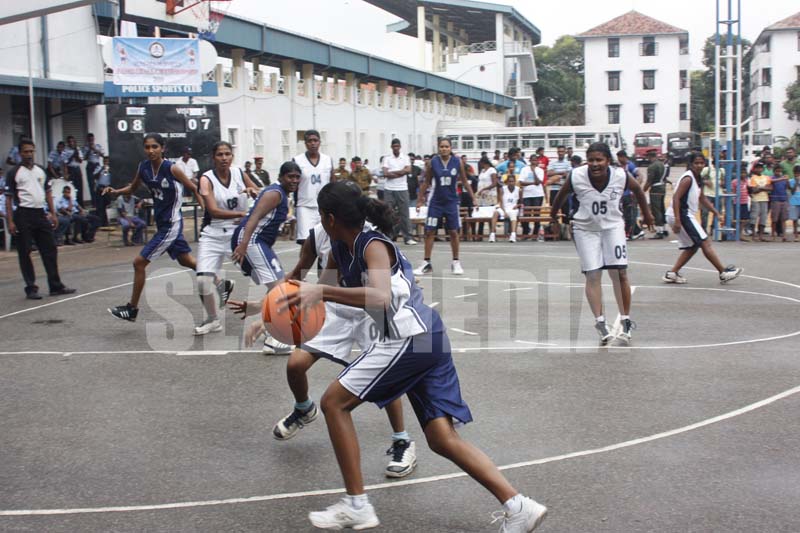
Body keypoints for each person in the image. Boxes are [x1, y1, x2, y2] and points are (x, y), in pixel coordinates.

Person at [282, 181, 547, 531]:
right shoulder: (340, 249)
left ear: (330, 218)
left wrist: (323, 289)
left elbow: (376, 296)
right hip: (427, 339)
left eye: (320, 215)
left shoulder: (372, 244)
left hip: (409, 338)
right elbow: (314, 295)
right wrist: (264, 312)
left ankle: (357, 505)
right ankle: (519, 506)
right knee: (441, 438)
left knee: (333, 403)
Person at [231, 213, 418, 479]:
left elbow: (391, 275)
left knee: (384, 381)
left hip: (368, 311)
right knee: (295, 365)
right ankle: (304, 409)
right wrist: (263, 310)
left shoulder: (368, 236)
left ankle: (402, 440)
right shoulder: (317, 236)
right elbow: (299, 278)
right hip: (334, 310)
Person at [550, 143, 653, 345]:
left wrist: (647, 215)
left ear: (608, 160)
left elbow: (639, 192)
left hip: (612, 227)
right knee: (593, 274)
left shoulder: (621, 175)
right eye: (591, 160)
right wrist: (553, 219)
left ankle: (625, 320)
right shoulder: (576, 176)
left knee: (620, 272)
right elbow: (560, 196)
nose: (595, 164)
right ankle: (600, 322)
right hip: (585, 229)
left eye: (599, 160)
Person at [104, 133, 204, 321]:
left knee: (139, 262)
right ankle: (220, 282)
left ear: (162, 148)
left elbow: (193, 188)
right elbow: (132, 188)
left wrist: (206, 210)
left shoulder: (172, 169)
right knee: (186, 261)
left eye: (155, 147)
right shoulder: (143, 167)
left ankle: (132, 309)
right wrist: (116, 191)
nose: (151, 150)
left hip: (171, 224)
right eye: (147, 147)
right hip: (162, 224)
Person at [230, 161, 300, 354]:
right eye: (290, 177)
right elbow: (254, 217)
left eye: (296, 177)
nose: (294, 180)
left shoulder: (278, 193)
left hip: (256, 242)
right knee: (280, 290)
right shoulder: (275, 193)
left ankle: (262, 325)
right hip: (252, 241)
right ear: (281, 177)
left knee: (279, 288)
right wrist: (243, 244)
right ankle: (274, 338)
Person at [193, 141, 260, 335]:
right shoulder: (206, 179)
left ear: (232, 156)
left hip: (237, 235)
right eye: (220, 154)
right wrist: (242, 215)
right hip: (213, 233)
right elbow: (212, 210)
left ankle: (273, 315)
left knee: (261, 275)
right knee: (202, 281)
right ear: (214, 157)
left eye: (227, 154)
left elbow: (261, 194)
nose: (224, 158)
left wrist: (252, 192)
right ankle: (213, 319)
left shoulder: (239, 173)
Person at [4, 139, 76, 299]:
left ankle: (55, 285)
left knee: (50, 249)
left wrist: (53, 213)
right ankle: (31, 287)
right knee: (25, 251)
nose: (29, 155)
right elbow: (8, 199)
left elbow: (48, 192)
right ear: (20, 153)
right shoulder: (14, 172)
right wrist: (10, 221)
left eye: (31, 151)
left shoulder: (41, 171)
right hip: (23, 214)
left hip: (40, 213)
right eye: (25, 152)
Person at [663, 152, 743, 285]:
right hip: (681, 214)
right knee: (704, 242)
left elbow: (702, 198)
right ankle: (722, 272)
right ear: (690, 164)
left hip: (684, 215)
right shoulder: (688, 179)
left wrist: (715, 212)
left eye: (701, 163)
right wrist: (677, 220)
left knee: (693, 246)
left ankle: (672, 273)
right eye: (696, 163)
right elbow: (676, 197)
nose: (699, 165)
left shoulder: (697, 178)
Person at [414, 138, 475, 276]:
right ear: (438, 148)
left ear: (450, 148)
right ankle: (426, 263)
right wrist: (420, 200)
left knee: (453, 232)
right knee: (430, 231)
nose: (444, 149)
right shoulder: (432, 162)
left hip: (451, 202)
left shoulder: (457, 162)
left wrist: (473, 198)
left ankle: (456, 262)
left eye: (446, 146)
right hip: (435, 202)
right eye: (441, 146)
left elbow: (464, 181)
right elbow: (426, 182)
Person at [293, 130, 334, 244]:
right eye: (309, 141)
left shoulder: (327, 160)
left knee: (326, 243)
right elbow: (293, 184)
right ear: (305, 143)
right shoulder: (297, 160)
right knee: (306, 242)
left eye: (315, 140)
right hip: (305, 206)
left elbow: (332, 183)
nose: (313, 143)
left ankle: (324, 262)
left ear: (319, 142)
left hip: (323, 207)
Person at [382, 139, 417, 245]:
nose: (396, 148)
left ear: (400, 146)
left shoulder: (405, 158)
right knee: (388, 213)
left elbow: (408, 170)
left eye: (397, 146)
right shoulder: (387, 158)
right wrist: (401, 172)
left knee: (404, 213)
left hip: (402, 188)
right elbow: (385, 173)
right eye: (394, 146)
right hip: (389, 189)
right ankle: (388, 236)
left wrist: (392, 172)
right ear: (391, 147)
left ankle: (408, 237)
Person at [518, 153, 546, 240]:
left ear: (537, 161)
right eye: (532, 160)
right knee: (526, 214)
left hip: (538, 194)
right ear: (529, 161)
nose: (534, 162)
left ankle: (535, 234)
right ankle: (525, 233)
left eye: (535, 160)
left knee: (536, 214)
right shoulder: (524, 169)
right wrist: (533, 183)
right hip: (527, 195)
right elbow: (521, 182)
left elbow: (538, 182)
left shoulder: (540, 170)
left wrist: (534, 172)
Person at [616, 151, 644, 240]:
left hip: (629, 194)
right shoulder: (620, 166)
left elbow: (640, 176)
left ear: (624, 157)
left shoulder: (630, 165)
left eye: (620, 158)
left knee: (629, 214)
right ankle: (637, 231)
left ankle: (629, 233)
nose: (619, 160)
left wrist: (635, 188)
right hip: (622, 194)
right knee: (624, 214)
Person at [489, 173, 521, 243]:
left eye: (512, 181)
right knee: (495, 213)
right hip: (504, 207)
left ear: (515, 182)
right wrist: (504, 211)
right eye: (509, 181)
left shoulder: (518, 190)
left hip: (513, 208)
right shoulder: (502, 189)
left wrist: (517, 205)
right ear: (507, 182)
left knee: (513, 214)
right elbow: (501, 201)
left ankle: (513, 235)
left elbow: (521, 202)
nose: (511, 183)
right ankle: (492, 234)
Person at [644, 149, 668, 238]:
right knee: (662, 208)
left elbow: (649, 181)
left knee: (656, 209)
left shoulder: (652, 167)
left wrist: (643, 190)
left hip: (655, 188)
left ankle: (659, 231)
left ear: (650, 157)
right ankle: (664, 229)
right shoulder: (662, 165)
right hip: (662, 187)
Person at [475, 156, 501, 239]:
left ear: (484, 163)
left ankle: (492, 233)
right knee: (481, 214)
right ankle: (480, 234)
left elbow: (494, 183)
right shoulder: (482, 171)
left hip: (490, 195)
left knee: (490, 214)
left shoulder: (492, 170)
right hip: (482, 196)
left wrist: (484, 189)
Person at [747, 161, 771, 241]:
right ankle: (753, 235)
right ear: (755, 169)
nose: (759, 169)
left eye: (760, 168)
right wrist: (763, 188)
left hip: (764, 199)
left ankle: (761, 235)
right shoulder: (753, 178)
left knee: (763, 217)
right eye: (757, 168)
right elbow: (753, 190)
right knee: (754, 216)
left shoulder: (766, 177)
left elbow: (770, 188)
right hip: (756, 199)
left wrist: (760, 188)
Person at [700, 158, 724, 233]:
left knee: (717, 212)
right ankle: (704, 228)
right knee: (705, 212)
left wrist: (722, 183)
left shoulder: (722, 170)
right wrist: (705, 181)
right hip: (707, 193)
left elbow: (724, 180)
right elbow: (699, 178)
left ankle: (713, 228)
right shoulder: (707, 170)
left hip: (719, 193)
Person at [81, 133, 104, 208]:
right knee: (91, 184)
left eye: (92, 139)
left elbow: (103, 154)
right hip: (90, 165)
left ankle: (100, 201)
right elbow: (84, 158)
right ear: (87, 140)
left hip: (97, 165)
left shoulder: (98, 146)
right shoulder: (85, 147)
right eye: (89, 140)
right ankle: (94, 203)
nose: (91, 141)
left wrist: (94, 149)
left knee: (99, 184)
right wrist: (89, 150)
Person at [546, 146, 571, 213]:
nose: (560, 153)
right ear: (557, 152)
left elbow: (568, 175)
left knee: (565, 209)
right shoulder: (552, 162)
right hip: (554, 189)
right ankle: (553, 223)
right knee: (553, 208)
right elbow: (548, 174)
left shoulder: (568, 163)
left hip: (564, 189)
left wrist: (555, 176)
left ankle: (565, 223)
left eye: (562, 151)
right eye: (559, 151)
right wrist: (562, 173)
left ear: (565, 152)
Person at [768, 164, 789, 241]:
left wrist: (786, 180)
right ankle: (773, 234)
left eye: (780, 171)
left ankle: (784, 235)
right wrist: (782, 178)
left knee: (783, 219)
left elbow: (787, 187)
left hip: (784, 199)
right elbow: (771, 181)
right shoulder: (772, 178)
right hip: (775, 200)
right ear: (774, 171)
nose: (779, 172)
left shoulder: (784, 178)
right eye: (777, 171)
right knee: (774, 219)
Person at [62, 136, 83, 205]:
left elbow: (80, 161)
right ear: (67, 143)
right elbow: (65, 162)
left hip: (77, 169)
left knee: (79, 187)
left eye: (72, 141)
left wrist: (76, 154)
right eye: (69, 142)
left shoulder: (78, 149)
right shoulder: (65, 151)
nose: (71, 143)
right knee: (71, 187)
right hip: (70, 169)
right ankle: (72, 204)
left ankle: (80, 204)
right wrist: (66, 174)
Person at [789, 164, 800, 242]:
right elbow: (792, 192)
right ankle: (796, 235)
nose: (797, 175)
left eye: (798, 173)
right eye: (796, 173)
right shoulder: (791, 181)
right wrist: (796, 183)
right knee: (795, 219)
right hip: (794, 202)